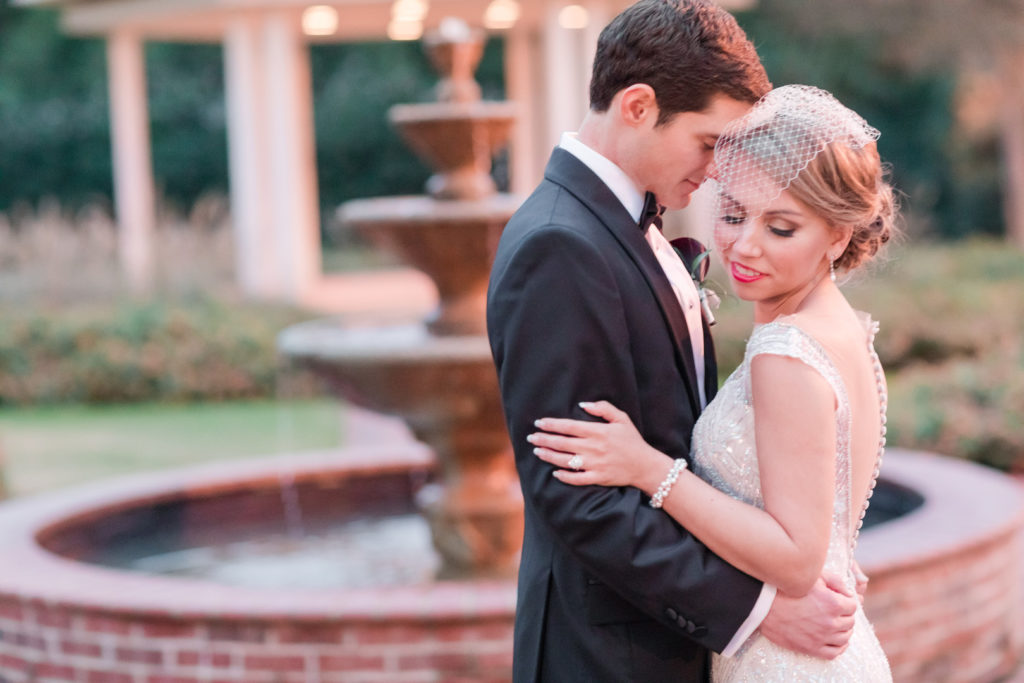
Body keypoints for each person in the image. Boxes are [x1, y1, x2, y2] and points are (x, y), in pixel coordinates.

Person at [486, 0, 860, 678]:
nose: (721, 169)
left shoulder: (631, 223)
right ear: (637, 107)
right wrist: (757, 607)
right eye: (711, 141)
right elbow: (579, 497)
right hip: (606, 655)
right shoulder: (558, 246)